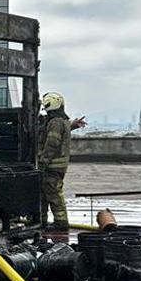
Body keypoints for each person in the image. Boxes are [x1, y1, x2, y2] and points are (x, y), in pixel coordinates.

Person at [39, 92, 87, 230]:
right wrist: (74, 125)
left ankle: (60, 224)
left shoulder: (55, 122)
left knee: (53, 195)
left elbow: (52, 143)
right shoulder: (62, 121)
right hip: (57, 166)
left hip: (52, 166)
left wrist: (43, 162)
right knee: (48, 194)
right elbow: (62, 131)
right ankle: (47, 221)